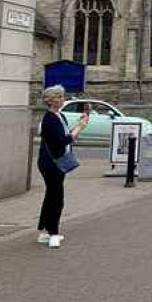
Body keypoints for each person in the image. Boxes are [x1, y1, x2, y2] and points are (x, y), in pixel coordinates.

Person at [37, 85, 89, 249]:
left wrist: (78, 126)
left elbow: (66, 136)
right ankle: (53, 233)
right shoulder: (49, 119)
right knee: (57, 198)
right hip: (51, 163)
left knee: (51, 195)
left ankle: (44, 231)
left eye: (62, 96)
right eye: (58, 97)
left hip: (58, 160)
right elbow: (63, 140)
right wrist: (80, 127)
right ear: (50, 101)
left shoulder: (60, 116)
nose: (62, 99)